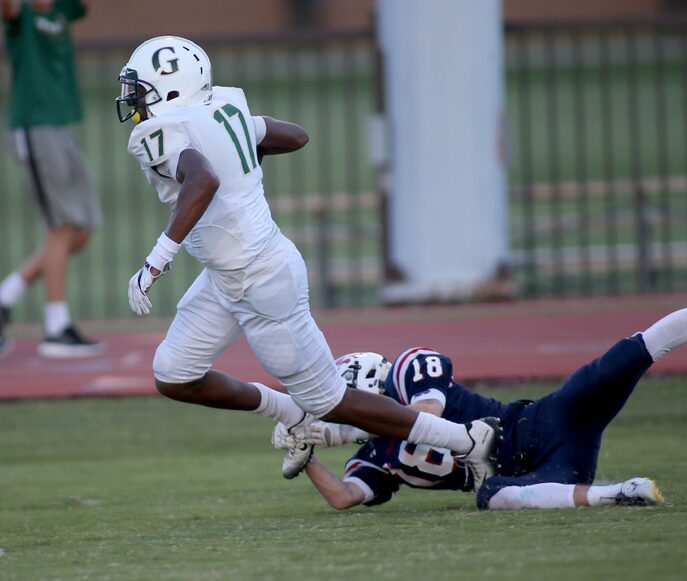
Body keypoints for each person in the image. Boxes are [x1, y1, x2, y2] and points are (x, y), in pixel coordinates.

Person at [116, 35, 499, 491]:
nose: (134, 103)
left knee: (334, 401)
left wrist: (157, 260)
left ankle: (467, 439)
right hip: (226, 276)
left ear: (173, 89)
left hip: (261, 279)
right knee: (174, 375)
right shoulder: (220, 109)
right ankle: (291, 414)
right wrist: (241, 144)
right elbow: (294, 135)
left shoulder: (163, 131)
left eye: (142, 91)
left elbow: (202, 178)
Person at [272, 226, 687, 510]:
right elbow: (345, 498)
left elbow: (426, 415)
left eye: (347, 403)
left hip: (542, 421)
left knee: (630, 352)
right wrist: (308, 457)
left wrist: (336, 432)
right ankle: (618, 493)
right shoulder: (370, 453)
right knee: (494, 495)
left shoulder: (409, 368)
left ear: (365, 386)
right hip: (535, 473)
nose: (346, 414)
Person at [0, 0, 102, 358]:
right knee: (60, 226)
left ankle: (5, 295)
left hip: (60, 128)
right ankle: (56, 329)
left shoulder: (62, 8)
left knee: (82, 229)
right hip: (34, 127)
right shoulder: (20, 13)